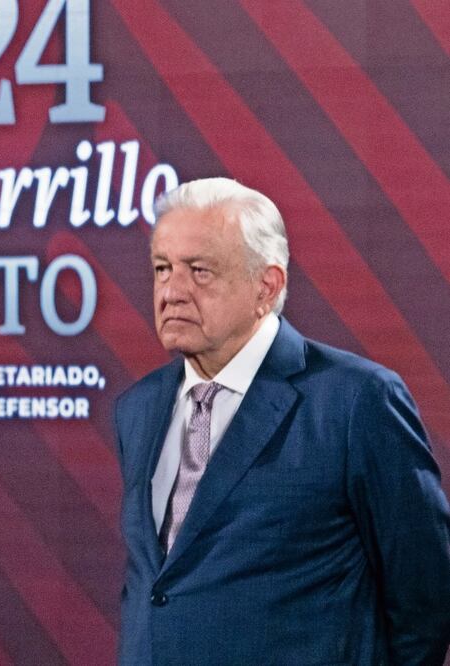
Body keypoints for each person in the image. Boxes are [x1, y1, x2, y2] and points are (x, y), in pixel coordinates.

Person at [115, 177, 450, 664]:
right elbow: (155, 588)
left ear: (266, 287)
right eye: (162, 269)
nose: (172, 291)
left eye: (199, 271)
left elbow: (426, 595)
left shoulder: (356, 401)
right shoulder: (138, 407)